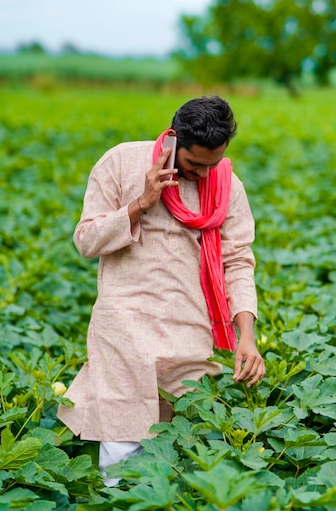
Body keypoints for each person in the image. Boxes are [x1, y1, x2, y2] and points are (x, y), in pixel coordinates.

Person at [57, 95, 265, 486]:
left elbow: (237, 261)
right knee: (122, 446)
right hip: (124, 327)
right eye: (194, 164)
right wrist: (141, 203)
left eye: (213, 164)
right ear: (172, 141)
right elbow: (86, 241)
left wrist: (246, 336)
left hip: (191, 329)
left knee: (191, 446)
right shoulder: (121, 162)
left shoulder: (227, 185)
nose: (204, 175)